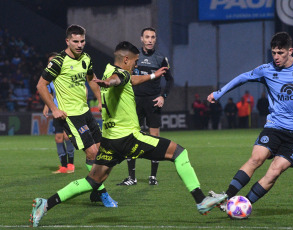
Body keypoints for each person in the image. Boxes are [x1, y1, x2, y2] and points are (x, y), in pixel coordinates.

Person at [29, 41, 227, 227]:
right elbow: (120, 79)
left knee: (92, 181)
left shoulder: (109, 68)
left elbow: (128, 79)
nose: (137, 64)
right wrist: (109, 83)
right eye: (135, 61)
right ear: (126, 60)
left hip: (109, 141)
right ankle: (201, 200)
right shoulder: (118, 75)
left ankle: (45, 204)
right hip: (129, 138)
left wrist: (152, 76)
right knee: (179, 153)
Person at [207, 32, 293, 210]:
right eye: (273, 52)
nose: (276, 57)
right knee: (256, 158)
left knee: (274, 172)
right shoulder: (266, 70)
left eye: (280, 53)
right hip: (275, 126)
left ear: (290, 51)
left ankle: (244, 205)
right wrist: (219, 93)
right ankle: (226, 196)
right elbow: (242, 78)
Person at [36, 24, 117, 208]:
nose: (79, 44)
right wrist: (54, 108)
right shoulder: (58, 62)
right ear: (67, 41)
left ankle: (96, 192)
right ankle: (103, 194)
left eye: (82, 41)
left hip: (85, 111)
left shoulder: (86, 58)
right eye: (75, 41)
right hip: (70, 116)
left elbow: (91, 79)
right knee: (93, 153)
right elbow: (41, 85)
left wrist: (100, 101)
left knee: (102, 154)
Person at [117, 27, 174, 186]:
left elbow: (170, 80)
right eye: (147, 37)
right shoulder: (133, 57)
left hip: (153, 101)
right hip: (134, 101)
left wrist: (163, 96)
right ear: (141, 39)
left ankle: (153, 176)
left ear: (155, 39)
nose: (150, 40)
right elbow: (124, 76)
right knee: (131, 137)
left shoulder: (161, 58)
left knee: (154, 137)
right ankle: (132, 177)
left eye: (153, 37)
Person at [42, 52, 76, 174]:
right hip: (56, 111)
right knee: (58, 138)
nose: (52, 64)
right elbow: (50, 93)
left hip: (67, 110)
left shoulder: (66, 76)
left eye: (54, 61)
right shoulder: (49, 78)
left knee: (67, 136)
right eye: (50, 62)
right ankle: (63, 166)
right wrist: (47, 105)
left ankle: (71, 164)